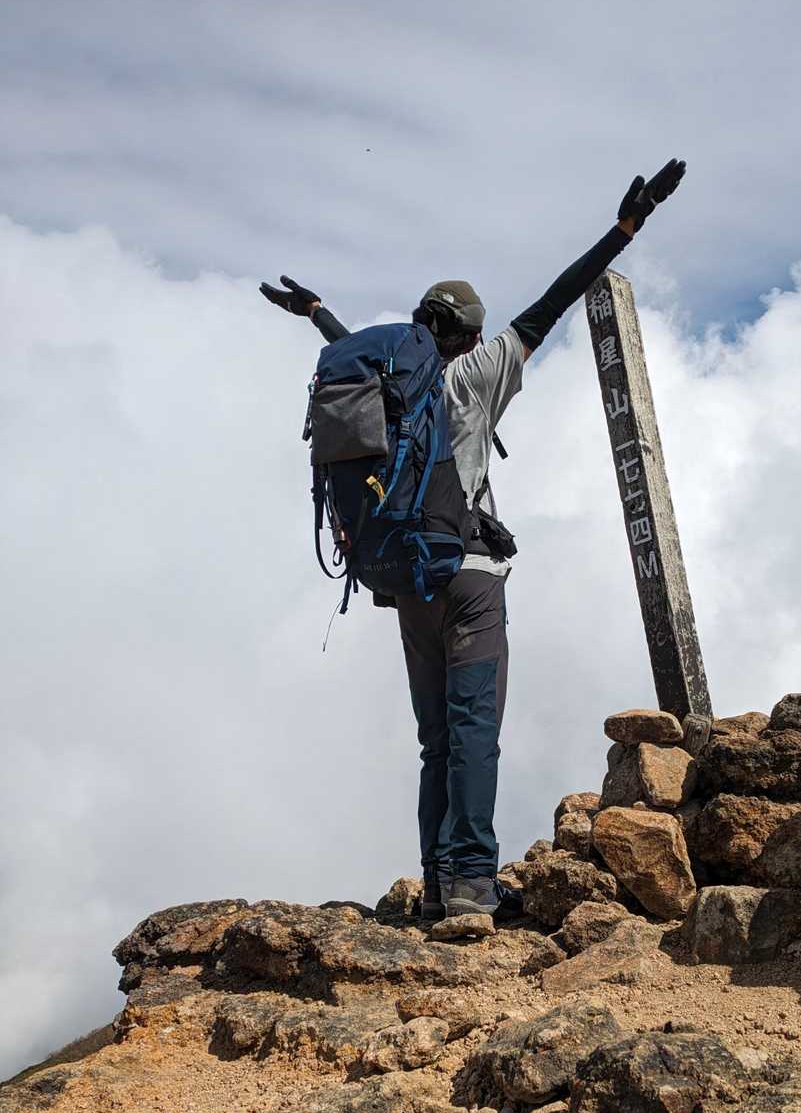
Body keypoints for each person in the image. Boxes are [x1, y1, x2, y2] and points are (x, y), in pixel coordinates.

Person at [260, 159, 686, 922]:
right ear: (469, 336)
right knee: (474, 732)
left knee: (437, 742)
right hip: (469, 576)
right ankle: (471, 885)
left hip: (405, 581)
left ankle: (436, 884)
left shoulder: (390, 387)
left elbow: (354, 346)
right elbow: (551, 303)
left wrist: (319, 314)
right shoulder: (475, 375)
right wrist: (624, 229)